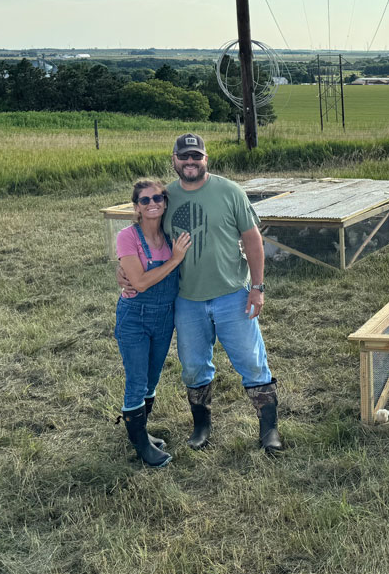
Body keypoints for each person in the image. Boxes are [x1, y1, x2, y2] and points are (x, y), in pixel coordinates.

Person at [121, 133, 283, 455]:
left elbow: (252, 241)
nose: (191, 162)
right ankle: (201, 426)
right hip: (187, 300)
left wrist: (258, 287)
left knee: (251, 361)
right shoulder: (165, 198)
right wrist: (123, 271)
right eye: (185, 157)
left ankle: (269, 430)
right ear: (174, 159)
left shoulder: (229, 192)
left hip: (231, 294)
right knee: (193, 366)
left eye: (197, 156)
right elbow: (144, 238)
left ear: (206, 158)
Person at [114, 179, 192, 467]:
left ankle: (141, 432)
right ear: (136, 206)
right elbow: (141, 282)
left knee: (151, 379)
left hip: (164, 318)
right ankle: (141, 446)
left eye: (158, 198)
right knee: (136, 381)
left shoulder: (172, 235)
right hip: (135, 317)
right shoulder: (128, 236)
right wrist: (175, 259)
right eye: (145, 200)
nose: (153, 204)